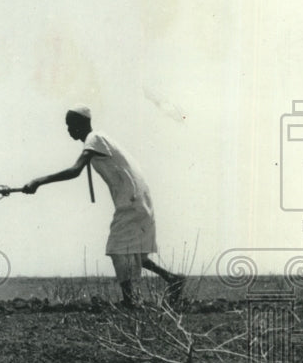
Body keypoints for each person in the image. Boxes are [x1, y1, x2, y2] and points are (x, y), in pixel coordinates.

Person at [23, 105, 184, 307]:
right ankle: (172, 279)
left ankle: (131, 301)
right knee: (136, 253)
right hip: (137, 198)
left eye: (71, 125)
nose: (68, 130)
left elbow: (75, 171)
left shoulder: (94, 139)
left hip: (132, 201)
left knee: (117, 248)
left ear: (81, 124)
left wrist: (38, 181)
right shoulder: (96, 141)